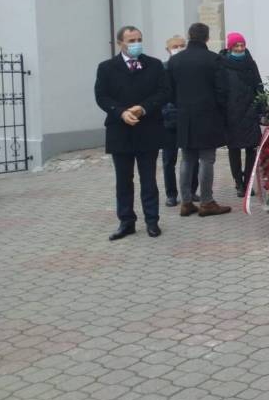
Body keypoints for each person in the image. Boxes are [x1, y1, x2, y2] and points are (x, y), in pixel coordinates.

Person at [94, 25, 168, 240]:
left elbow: (164, 92)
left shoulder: (154, 65)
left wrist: (143, 108)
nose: (136, 44)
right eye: (131, 41)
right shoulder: (107, 68)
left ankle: (152, 221)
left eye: (138, 40)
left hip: (148, 129)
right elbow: (101, 96)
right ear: (120, 43)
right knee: (123, 180)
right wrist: (120, 112)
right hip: (120, 130)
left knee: (149, 180)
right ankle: (126, 222)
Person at [167, 22, 231, 217]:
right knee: (206, 159)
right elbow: (222, 90)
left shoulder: (175, 61)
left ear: (189, 36)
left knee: (187, 159)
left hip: (184, 115)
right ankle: (206, 202)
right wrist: (220, 110)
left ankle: (186, 202)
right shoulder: (214, 59)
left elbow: (169, 91)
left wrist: (181, 105)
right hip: (208, 115)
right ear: (207, 38)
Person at [219, 32, 263, 197]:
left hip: (250, 111)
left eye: (242, 45)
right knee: (234, 149)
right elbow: (220, 90)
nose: (240, 48)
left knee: (252, 148)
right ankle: (238, 182)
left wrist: (262, 107)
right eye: (236, 45)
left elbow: (259, 86)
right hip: (232, 114)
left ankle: (248, 182)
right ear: (230, 47)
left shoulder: (251, 63)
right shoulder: (222, 64)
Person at [161, 35, 198, 206]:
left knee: (192, 158)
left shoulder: (191, 68)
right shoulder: (163, 69)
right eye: (175, 46)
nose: (179, 49)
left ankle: (191, 190)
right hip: (169, 120)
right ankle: (171, 194)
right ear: (168, 49)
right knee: (169, 160)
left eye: (182, 45)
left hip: (188, 119)